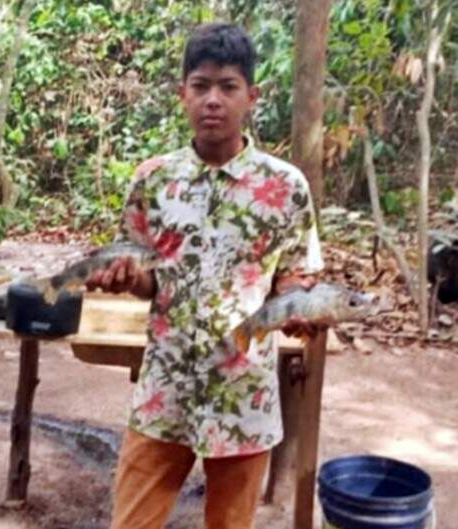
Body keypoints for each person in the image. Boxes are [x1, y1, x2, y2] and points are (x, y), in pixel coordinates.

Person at [86, 22, 324, 529]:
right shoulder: (153, 181)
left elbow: (293, 279)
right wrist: (128, 278)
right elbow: (150, 281)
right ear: (182, 94)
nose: (213, 100)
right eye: (201, 86)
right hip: (164, 392)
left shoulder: (286, 187)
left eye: (228, 86)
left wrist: (301, 308)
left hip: (243, 398)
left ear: (252, 97)